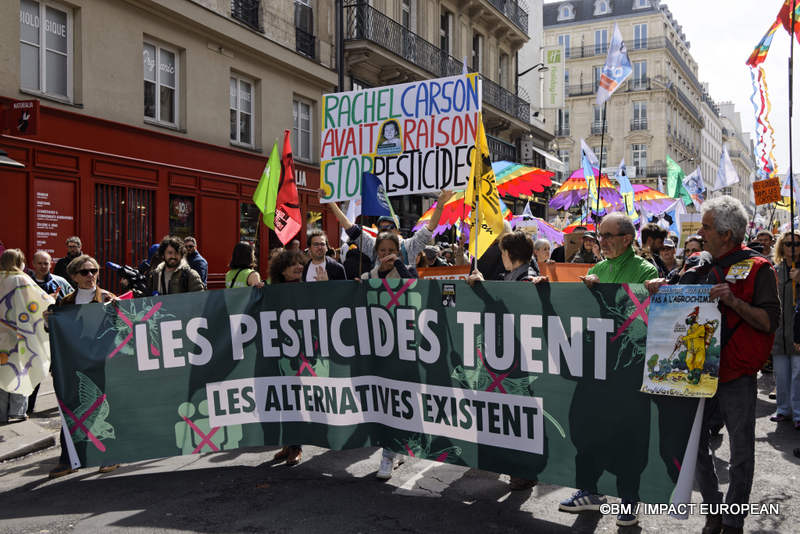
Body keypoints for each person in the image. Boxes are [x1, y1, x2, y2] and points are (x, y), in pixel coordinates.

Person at [646, 196, 779, 534]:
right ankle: (713, 508)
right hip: (693, 372)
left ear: (726, 233)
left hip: (736, 374)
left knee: (741, 450)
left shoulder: (760, 268)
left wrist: (733, 301)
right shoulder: (695, 263)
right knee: (691, 444)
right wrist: (658, 289)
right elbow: (672, 298)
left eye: (706, 227)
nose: (700, 232)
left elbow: (768, 321)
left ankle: (733, 520)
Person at [560, 213, 658, 527]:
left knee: (630, 433)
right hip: (596, 367)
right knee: (588, 427)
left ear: (627, 239)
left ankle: (629, 499)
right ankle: (589, 491)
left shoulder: (645, 270)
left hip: (628, 370)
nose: (601, 241)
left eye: (607, 235)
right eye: (600, 236)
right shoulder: (597, 269)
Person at [49, 254, 120, 478]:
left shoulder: (108, 298)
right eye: (84, 272)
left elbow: (122, 329)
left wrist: (119, 310)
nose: (91, 276)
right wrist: (48, 320)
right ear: (73, 276)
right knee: (70, 408)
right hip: (73, 364)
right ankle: (68, 458)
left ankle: (110, 455)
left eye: (94, 271)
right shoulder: (65, 302)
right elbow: (56, 334)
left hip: (102, 363)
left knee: (103, 409)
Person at [360, 232, 416, 479]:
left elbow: (415, 286)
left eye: (391, 249)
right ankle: (393, 448)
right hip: (378, 347)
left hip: (402, 347)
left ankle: (389, 453)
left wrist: (400, 265)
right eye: (382, 251)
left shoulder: (406, 270)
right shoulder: (369, 277)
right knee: (384, 399)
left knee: (397, 398)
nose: (386, 255)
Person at [328, 189, 454, 269]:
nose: (386, 230)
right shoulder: (372, 246)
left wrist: (440, 205)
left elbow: (430, 227)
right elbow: (350, 228)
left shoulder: (408, 247)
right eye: (382, 228)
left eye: (390, 227)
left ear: (397, 231)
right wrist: (331, 202)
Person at [0, 249, 53, 425]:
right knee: (19, 370)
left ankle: (1, 413)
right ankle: (17, 411)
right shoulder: (21, 279)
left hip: (1, 335)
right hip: (18, 335)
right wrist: (52, 300)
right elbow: (40, 301)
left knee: (1, 374)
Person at [268, 249, 307, 465]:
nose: (299, 267)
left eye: (299, 262)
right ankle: (287, 444)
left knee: (296, 399)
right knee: (283, 398)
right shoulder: (273, 291)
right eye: (293, 264)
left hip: (300, 355)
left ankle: (296, 447)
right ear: (282, 271)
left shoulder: (306, 287)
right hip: (280, 352)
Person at [770, 231, 800, 430]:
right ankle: (783, 409)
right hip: (779, 332)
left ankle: (798, 412)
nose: (792, 248)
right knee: (781, 374)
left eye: (797, 244)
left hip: (798, 332)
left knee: (798, 373)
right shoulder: (774, 270)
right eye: (788, 244)